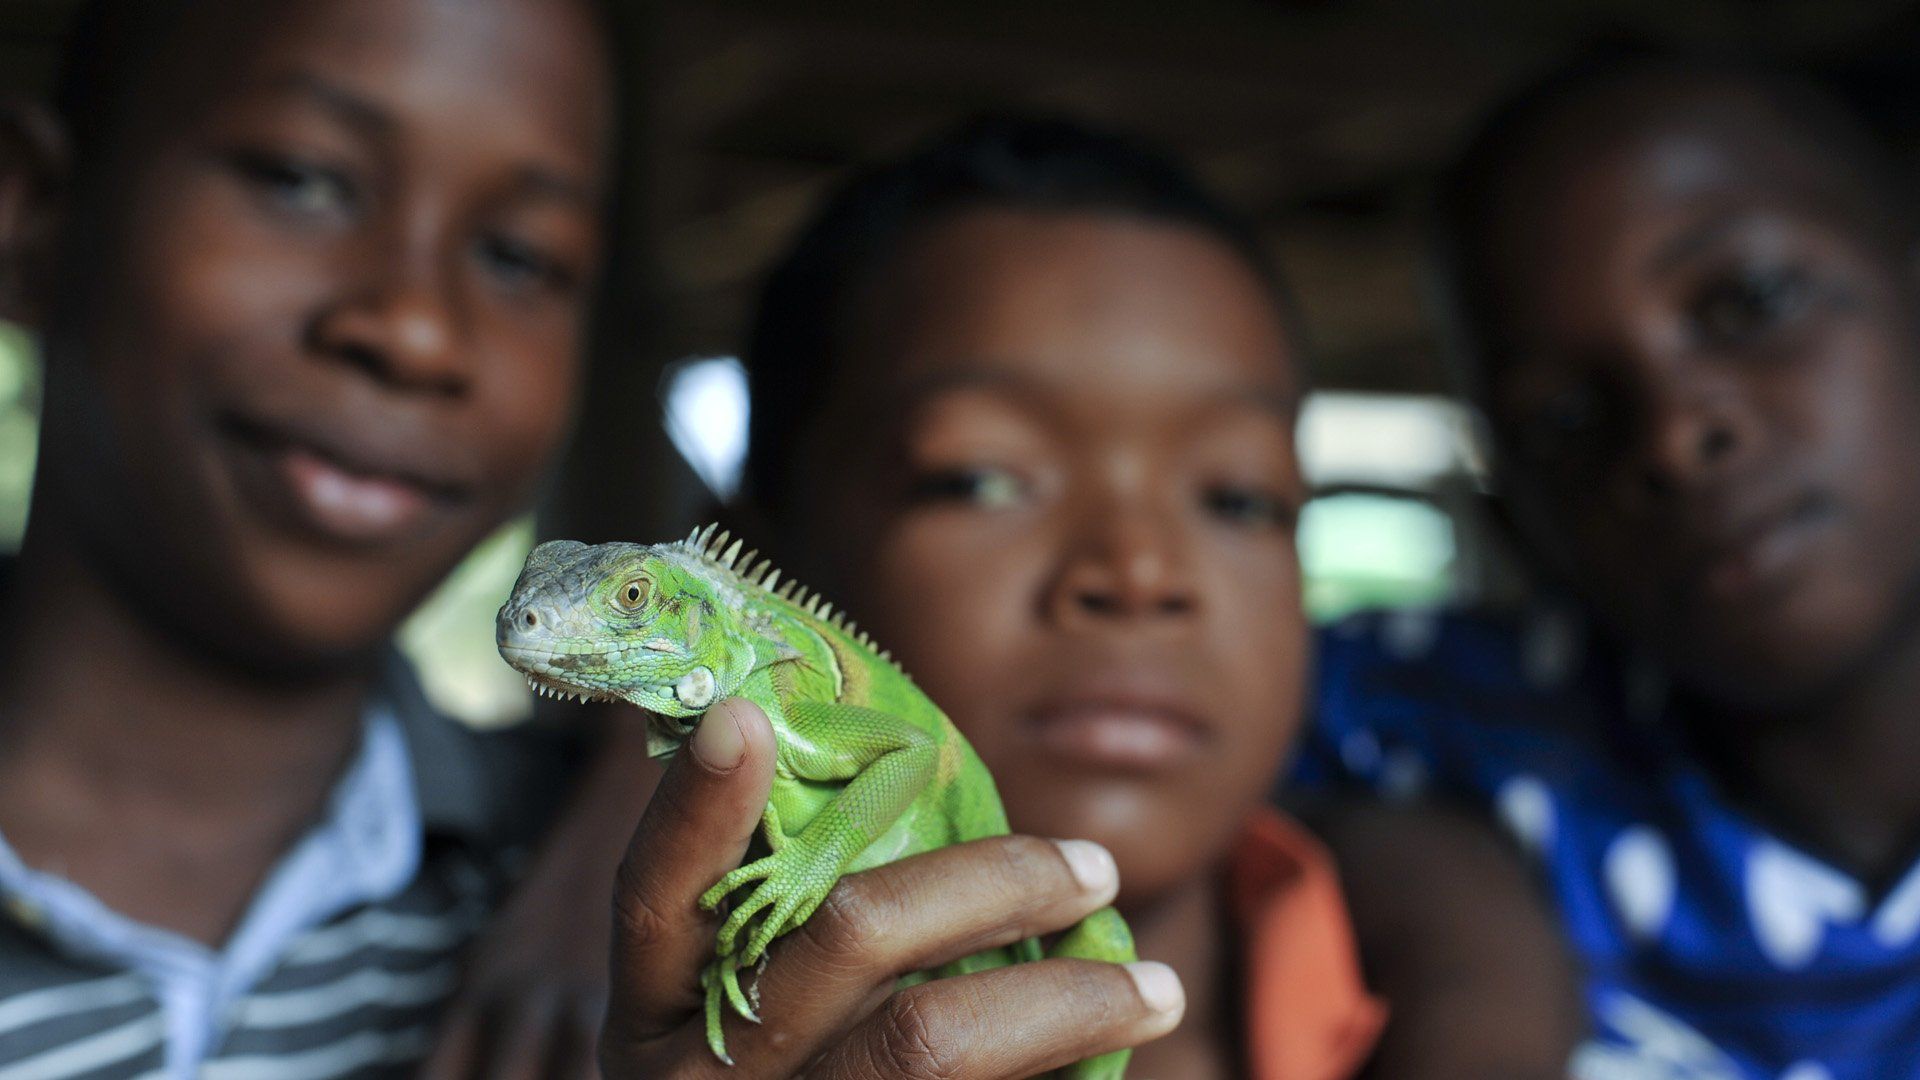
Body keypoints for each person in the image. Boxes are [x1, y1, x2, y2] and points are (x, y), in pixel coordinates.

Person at [595, 115, 1579, 1079]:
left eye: (1238, 496)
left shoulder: (1500, 951)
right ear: (765, 562)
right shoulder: (558, 989)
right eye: (981, 478)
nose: (1139, 571)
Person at [0, 0, 625, 1073]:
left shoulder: (605, 898)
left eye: (521, 258)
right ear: (34, 211)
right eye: (302, 179)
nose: (418, 332)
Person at [1299, 54, 1920, 1080]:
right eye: (1564, 418)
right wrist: (1422, 888)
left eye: (1750, 302)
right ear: (1513, 521)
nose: (1675, 435)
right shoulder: (1418, 723)